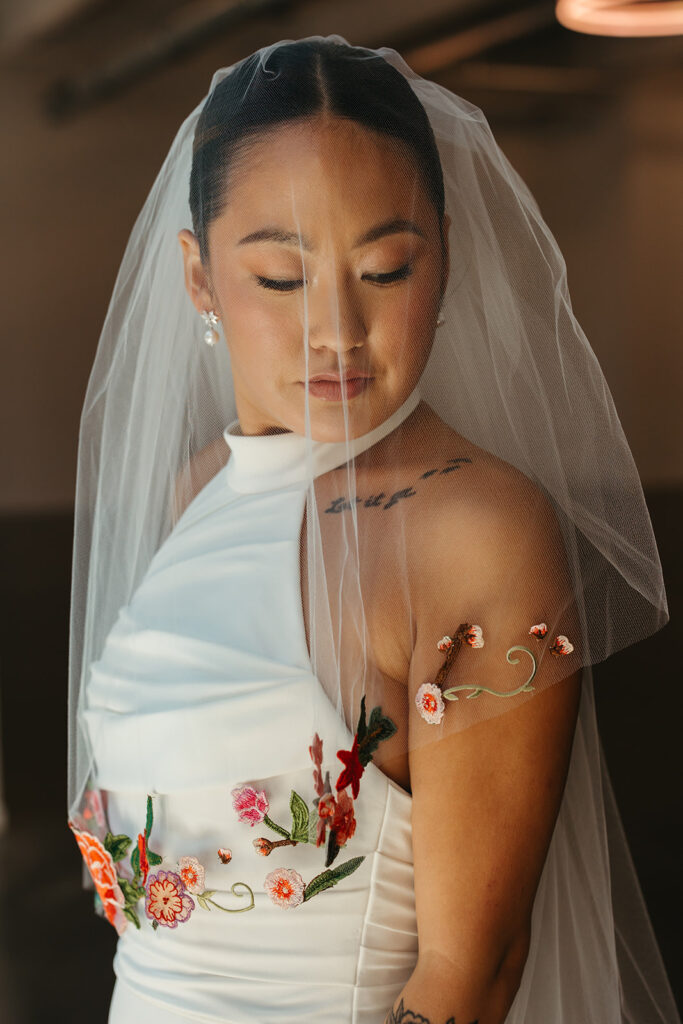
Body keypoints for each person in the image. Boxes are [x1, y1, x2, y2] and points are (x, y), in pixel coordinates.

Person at [66, 36, 680, 1024]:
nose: (336, 331)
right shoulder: (199, 491)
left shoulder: (473, 528)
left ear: (444, 255)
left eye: (385, 270)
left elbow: (470, 972)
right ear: (197, 278)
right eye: (279, 279)